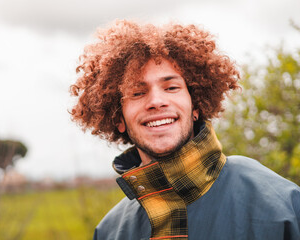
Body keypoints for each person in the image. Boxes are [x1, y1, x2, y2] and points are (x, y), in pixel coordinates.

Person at [70, 20, 300, 240]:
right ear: (119, 118)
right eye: (138, 93)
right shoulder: (110, 232)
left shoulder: (282, 206)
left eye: (171, 87)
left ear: (196, 105)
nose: (156, 101)